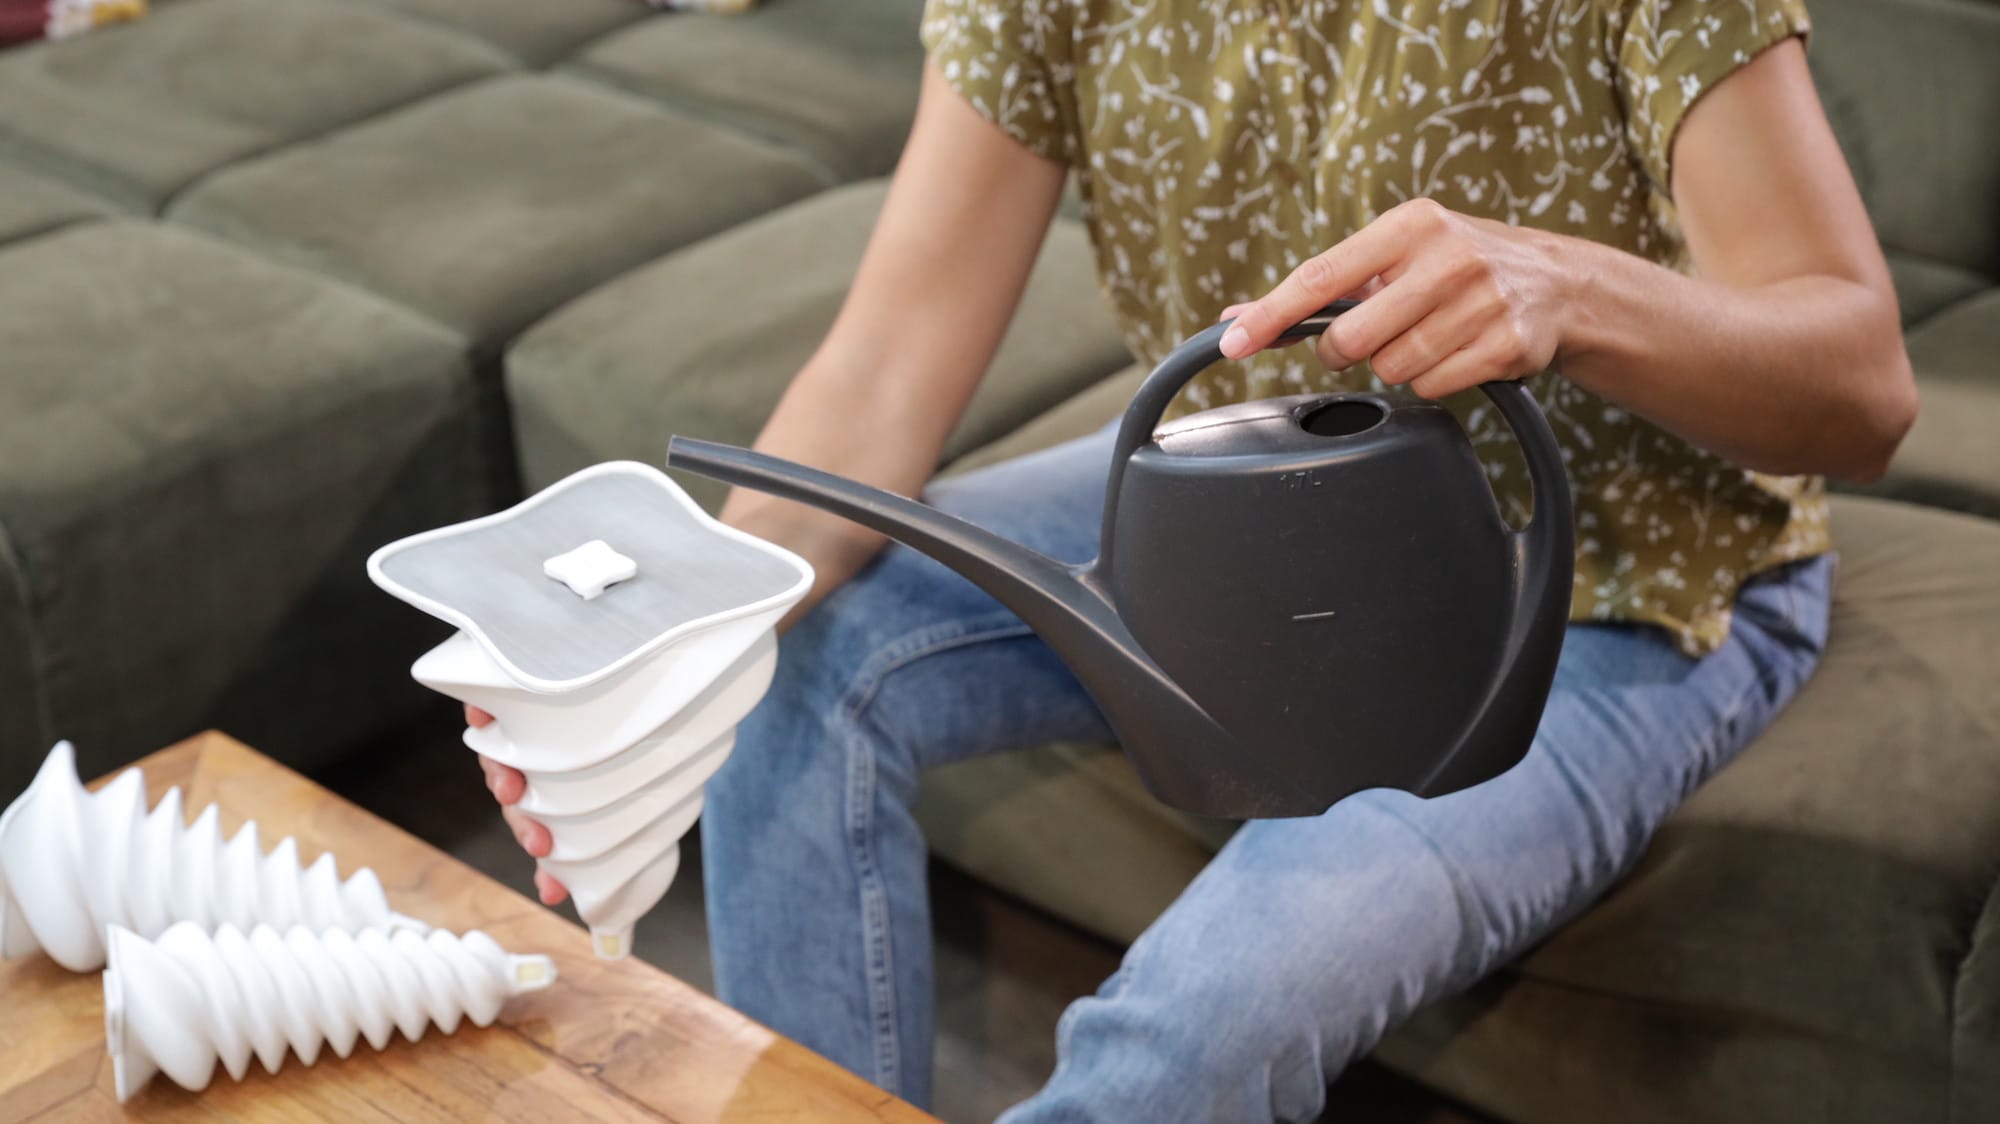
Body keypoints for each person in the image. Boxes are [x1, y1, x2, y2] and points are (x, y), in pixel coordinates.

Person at [471, 0, 1916, 1117]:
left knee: (1193, 1031)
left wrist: (1574, 289)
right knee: (793, 652)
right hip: (1241, 518)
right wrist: (663, 664)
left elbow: (1862, 389)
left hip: (1607, 582)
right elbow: (888, 362)